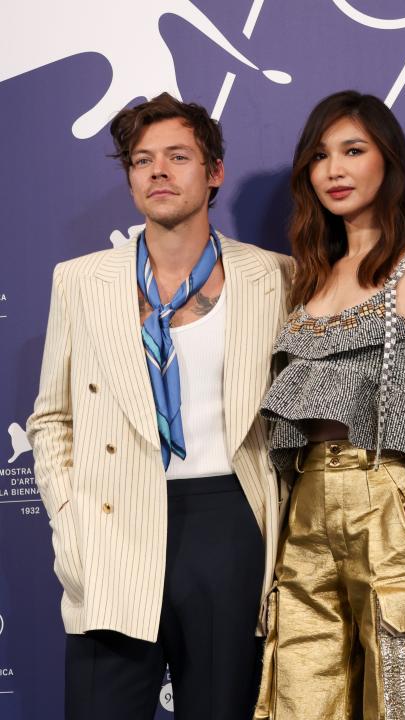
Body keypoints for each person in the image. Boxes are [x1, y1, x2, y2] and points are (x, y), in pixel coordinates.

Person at [27, 93, 293, 719]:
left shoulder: (273, 277)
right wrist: (70, 516)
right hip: (113, 519)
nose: (158, 172)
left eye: (178, 156)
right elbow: (52, 416)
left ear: (215, 171)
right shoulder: (80, 280)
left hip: (228, 523)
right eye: (142, 160)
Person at [254, 90, 405, 720]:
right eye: (321, 155)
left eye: (353, 150)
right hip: (304, 507)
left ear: (387, 161)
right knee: (301, 695)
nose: (335, 169)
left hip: (393, 498)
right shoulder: (307, 274)